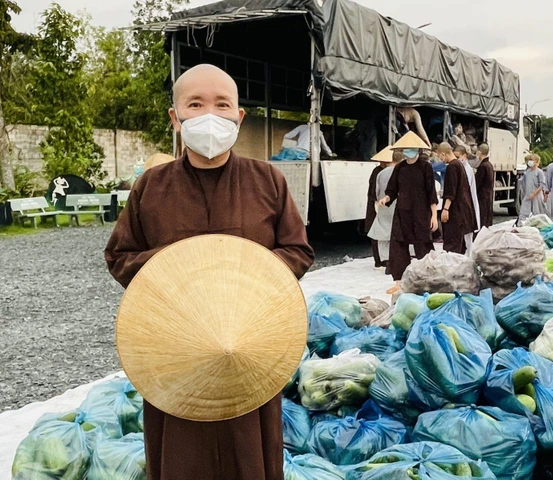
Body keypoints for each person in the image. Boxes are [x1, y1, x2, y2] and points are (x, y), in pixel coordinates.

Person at [104, 64, 314, 480]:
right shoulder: (151, 186)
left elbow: (298, 250)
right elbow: (120, 255)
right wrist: (181, 266)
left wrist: (247, 272)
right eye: (195, 104)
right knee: (181, 456)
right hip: (174, 352)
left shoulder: (267, 180)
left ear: (239, 117)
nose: (209, 115)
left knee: (250, 454)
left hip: (248, 346)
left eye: (222, 105)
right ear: (175, 118)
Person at [378, 132, 438, 293]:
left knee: (423, 245)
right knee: (397, 246)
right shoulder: (400, 167)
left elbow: (432, 193)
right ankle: (398, 282)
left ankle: (429, 278)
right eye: (406, 149)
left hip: (420, 212)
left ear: (418, 150)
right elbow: (392, 190)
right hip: (402, 212)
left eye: (411, 149)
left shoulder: (426, 167)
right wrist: (386, 198)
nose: (408, 152)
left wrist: (434, 216)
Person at [367, 149, 404, 271]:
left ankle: (384, 260)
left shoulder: (380, 173)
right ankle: (395, 260)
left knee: (382, 233)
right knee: (396, 233)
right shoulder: (401, 172)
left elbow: (376, 192)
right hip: (397, 206)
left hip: (383, 206)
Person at [437, 143, 475, 254]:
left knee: (452, 243)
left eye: (440, 156)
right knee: (459, 243)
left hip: (455, 211)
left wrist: (445, 209)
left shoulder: (452, 167)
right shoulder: (459, 165)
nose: (440, 159)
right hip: (461, 210)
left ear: (443, 154)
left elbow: (451, 191)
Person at [366, 152, 389, 268]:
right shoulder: (379, 172)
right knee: (378, 232)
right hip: (377, 204)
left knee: (377, 232)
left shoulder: (377, 171)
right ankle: (380, 259)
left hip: (377, 203)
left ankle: (380, 259)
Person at [456, 145, 481, 251]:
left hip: (467, 200)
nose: (457, 159)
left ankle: (469, 250)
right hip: (463, 200)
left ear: (464, 156)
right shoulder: (458, 167)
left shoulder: (467, 169)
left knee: (468, 228)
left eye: (458, 156)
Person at [518, 153, 547, 225]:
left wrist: (534, 194)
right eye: (529, 160)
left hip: (537, 197)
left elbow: (542, 185)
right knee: (523, 213)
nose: (530, 162)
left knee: (537, 213)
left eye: (532, 160)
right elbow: (524, 183)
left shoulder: (539, 172)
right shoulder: (527, 172)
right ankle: (521, 225)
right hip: (527, 195)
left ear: (536, 162)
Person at [474, 143, 495, 229]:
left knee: (482, 217)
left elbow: (477, 183)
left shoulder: (483, 166)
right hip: (488, 195)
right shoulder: (489, 165)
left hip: (482, 196)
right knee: (487, 216)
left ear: (479, 152)